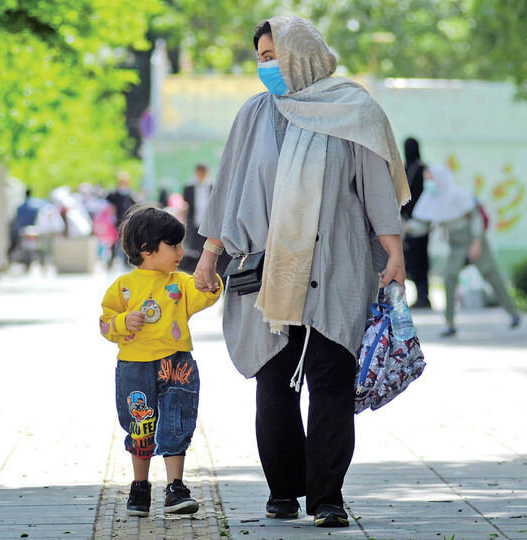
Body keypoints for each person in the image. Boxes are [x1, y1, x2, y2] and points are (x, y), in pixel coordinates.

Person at [193, 17, 410, 528]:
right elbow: (228, 183)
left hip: (336, 269)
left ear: (304, 53)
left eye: (274, 54)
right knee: (274, 383)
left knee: (330, 381)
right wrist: (209, 254)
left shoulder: (354, 110)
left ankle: (328, 496)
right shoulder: (254, 114)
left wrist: (395, 255)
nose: (265, 65)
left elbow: (376, 189)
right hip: (267, 273)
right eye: (261, 56)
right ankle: (283, 491)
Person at [99, 205, 223, 517]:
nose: (182, 251)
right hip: (134, 366)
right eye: (174, 245)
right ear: (147, 249)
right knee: (139, 423)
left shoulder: (180, 283)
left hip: (177, 364)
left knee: (176, 420)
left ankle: (175, 486)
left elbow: (203, 295)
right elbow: (105, 324)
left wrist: (211, 283)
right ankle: (140, 486)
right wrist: (123, 321)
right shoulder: (123, 287)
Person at [412, 165, 521, 337]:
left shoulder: (458, 196)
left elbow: (475, 217)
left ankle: (513, 313)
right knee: (449, 278)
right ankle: (449, 323)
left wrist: (477, 242)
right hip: (456, 246)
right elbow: (422, 226)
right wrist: (404, 228)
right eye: (426, 179)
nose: (428, 183)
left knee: (492, 276)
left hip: (474, 241)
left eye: (430, 178)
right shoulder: (432, 200)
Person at [400, 137, 432, 308]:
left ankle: (423, 296)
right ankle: (422, 295)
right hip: (420, 222)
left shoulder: (410, 169)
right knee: (419, 259)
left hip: (413, 222)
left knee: (415, 258)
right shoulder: (421, 169)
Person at [106, 171, 137, 268]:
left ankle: (126, 260)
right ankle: (111, 260)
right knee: (113, 242)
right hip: (115, 220)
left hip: (126, 220)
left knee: (126, 241)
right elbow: (109, 206)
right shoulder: (113, 194)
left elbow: (134, 205)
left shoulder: (130, 193)